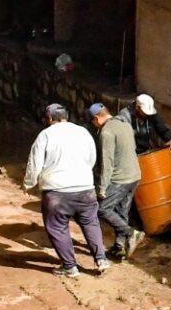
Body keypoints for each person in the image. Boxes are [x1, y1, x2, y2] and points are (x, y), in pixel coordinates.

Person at [23, 103, 109, 276]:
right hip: (85, 188)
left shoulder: (45, 135)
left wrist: (28, 183)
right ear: (66, 116)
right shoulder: (83, 132)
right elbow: (92, 158)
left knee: (57, 227)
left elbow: (35, 163)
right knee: (90, 222)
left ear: (49, 118)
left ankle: (70, 266)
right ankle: (101, 259)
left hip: (57, 191)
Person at [89, 103, 145, 261]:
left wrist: (101, 188)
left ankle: (131, 233)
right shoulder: (124, 124)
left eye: (93, 122)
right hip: (134, 175)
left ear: (96, 118)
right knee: (122, 211)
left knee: (102, 209)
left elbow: (107, 163)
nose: (94, 126)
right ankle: (120, 247)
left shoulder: (106, 132)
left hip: (120, 179)